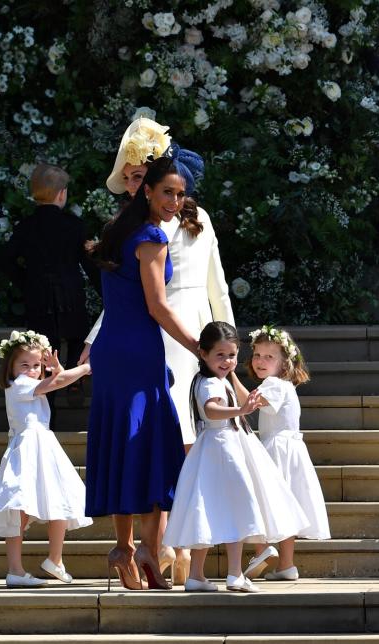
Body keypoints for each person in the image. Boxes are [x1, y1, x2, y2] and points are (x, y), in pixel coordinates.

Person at [82, 117, 234, 584]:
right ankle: (145, 551)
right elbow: (158, 306)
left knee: (127, 448)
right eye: (167, 192)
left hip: (116, 350)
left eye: (179, 194)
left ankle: (133, 551)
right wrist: (199, 348)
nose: (176, 202)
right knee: (149, 449)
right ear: (146, 190)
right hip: (140, 350)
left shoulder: (116, 229)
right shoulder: (150, 238)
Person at [161, 322, 309, 593]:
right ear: (203, 354)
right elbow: (212, 410)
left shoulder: (216, 380)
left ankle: (197, 575)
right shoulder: (208, 384)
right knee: (238, 507)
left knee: (209, 510)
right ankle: (234, 574)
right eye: (220, 355)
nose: (227, 361)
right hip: (223, 449)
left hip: (218, 448)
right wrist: (240, 409)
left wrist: (239, 404)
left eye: (232, 355)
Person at [0, 330, 92, 588]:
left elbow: (56, 380)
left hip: (44, 446)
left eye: (36, 365)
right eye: (25, 365)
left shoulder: (32, 385)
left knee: (59, 501)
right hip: (28, 450)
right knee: (19, 508)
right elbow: (56, 384)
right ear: (10, 367)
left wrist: (57, 369)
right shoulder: (19, 385)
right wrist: (86, 368)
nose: (32, 370)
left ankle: (55, 559)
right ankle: (15, 569)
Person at [0, 163, 99, 426]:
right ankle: (75, 380)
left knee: (42, 350)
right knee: (78, 336)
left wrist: (25, 282)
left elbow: (5, 261)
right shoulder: (74, 226)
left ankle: (47, 409)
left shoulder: (25, 227)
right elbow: (89, 263)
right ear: (61, 194)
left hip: (38, 297)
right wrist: (106, 293)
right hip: (70, 293)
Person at [238, 325, 331, 582]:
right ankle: (286, 565)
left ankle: (263, 551)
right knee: (284, 506)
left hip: (276, 450)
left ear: (284, 363)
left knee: (265, 501)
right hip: (289, 449)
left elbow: (250, 405)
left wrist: (229, 379)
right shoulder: (282, 385)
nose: (260, 361)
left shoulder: (274, 383)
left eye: (269, 357)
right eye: (257, 355)